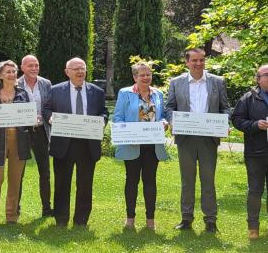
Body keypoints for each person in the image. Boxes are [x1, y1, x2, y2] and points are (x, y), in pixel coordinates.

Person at [165, 47, 230, 233]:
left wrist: (224, 122)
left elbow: (225, 107)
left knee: (208, 180)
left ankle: (210, 221)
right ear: (187, 62)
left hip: (209, 139)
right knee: (187, 180)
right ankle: (186, 219)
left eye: (201, 60)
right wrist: (171, 121)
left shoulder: (217, 82)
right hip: (186, 139)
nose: (198, 64)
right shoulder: (176, 83)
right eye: (194, 60)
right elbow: (170, 107)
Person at [42, 57, 108, 228]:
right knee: (62, 183)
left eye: (83, 68)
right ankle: (61, 219)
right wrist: (50, 118)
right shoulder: (56, 90)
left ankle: (81, 220)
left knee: (85, 185)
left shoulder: (97, 91)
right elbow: (46, 109)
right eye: (76, 69)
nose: (80, 72)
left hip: (88, 145)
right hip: (64, 144)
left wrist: (102, 120)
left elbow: (103, 112)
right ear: (67, 72)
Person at [113, 62, 169, 230]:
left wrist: (164, 122)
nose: (146, 77)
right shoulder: (125, 93)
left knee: (150, 181)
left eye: (148, 74)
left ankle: (150, 219)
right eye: (142, 75)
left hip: (153, 146)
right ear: (135, 77)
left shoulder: (158, 94)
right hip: (132, 145)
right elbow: (117, 118)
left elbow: (163, 115)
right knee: (132, 181)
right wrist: (128, 135)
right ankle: (130, 218)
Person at [0, 60, 32, 226]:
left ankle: (11, 216)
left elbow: (27, 116)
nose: (12, 74)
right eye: (8, 72)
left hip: (19, 140)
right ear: (0, 75)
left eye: (14, 71)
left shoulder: (24, 94)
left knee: (15, 180)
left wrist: (33, 120)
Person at [231, 64, 268, 240]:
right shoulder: (248, 98)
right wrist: (255, 125)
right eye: (267, 75)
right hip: (256, 153)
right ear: (258, 78)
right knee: (255, 190)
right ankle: (253, 227)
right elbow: (236, 120)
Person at [17, 54, 53, 217]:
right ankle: (14, 208)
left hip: (41, 132)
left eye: (36, 65)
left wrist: (47, 117)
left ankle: (47, 208)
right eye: (30, 65)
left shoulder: (46, 84)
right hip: (22, 132)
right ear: (22, 67)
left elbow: (49, 106)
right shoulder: (15, 83)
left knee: (44, 172)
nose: (33, 68)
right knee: (19, 172)